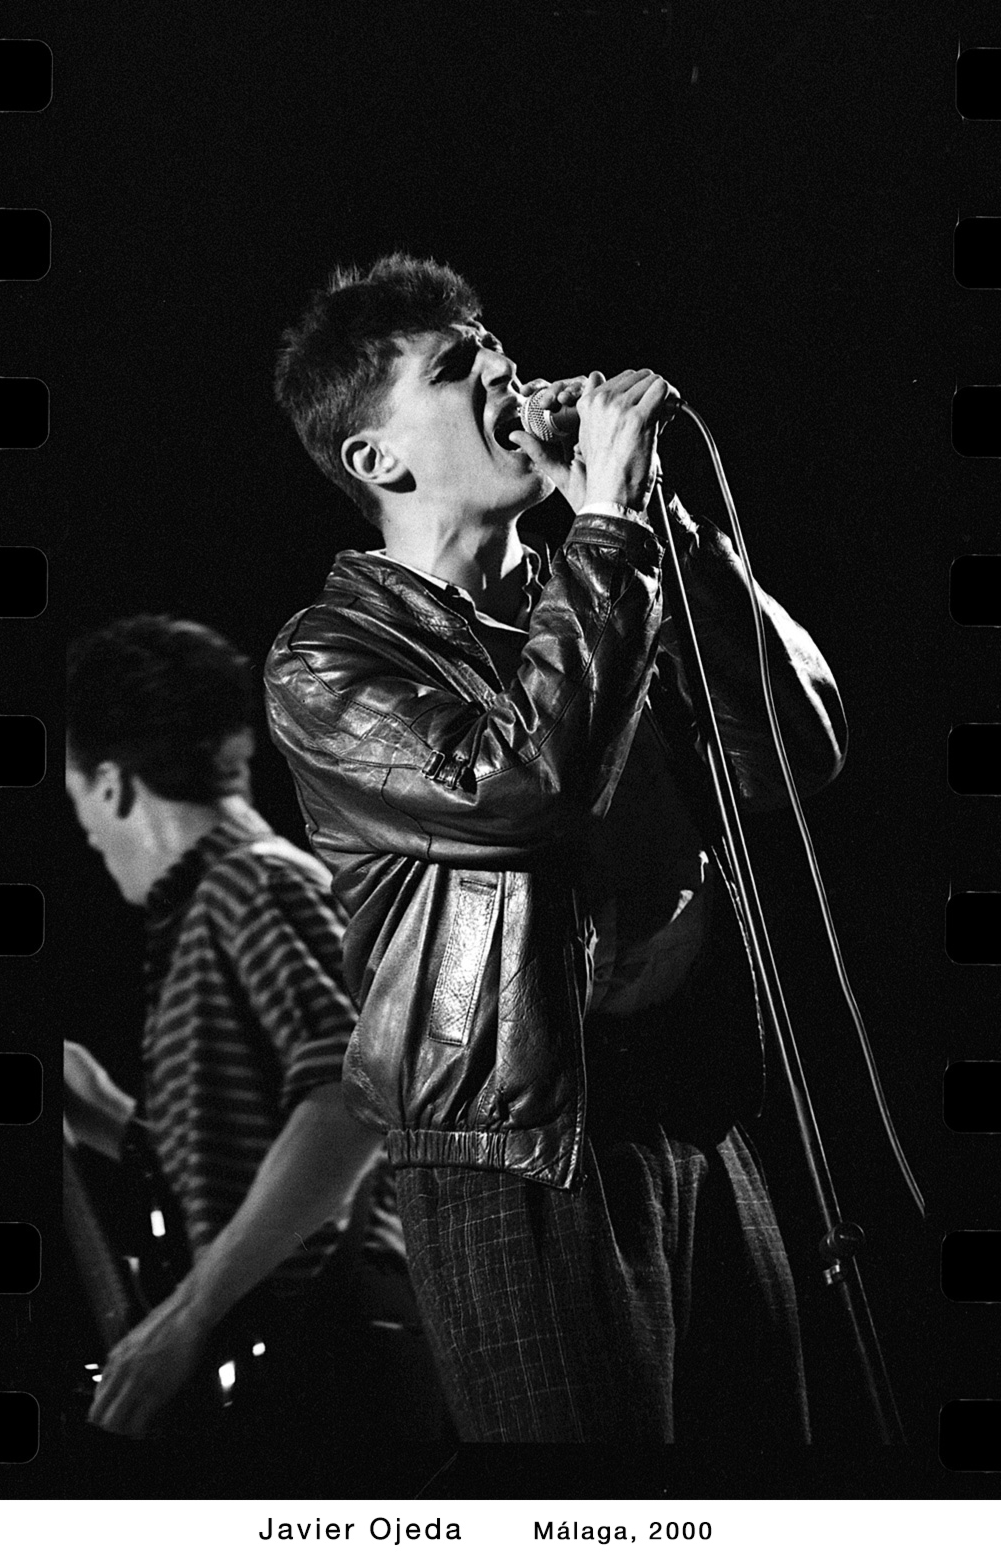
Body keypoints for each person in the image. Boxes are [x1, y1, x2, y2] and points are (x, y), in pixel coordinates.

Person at [264, 253, 848, 1446]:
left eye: (500, 352)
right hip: (519, 1157)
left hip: (692, 1113)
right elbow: (520, 789)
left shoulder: (607, 582)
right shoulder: (326, 661)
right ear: (376, 458)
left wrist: (670, 531)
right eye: (454, 369)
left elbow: (799, 751)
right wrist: (609, 535)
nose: (505, 377)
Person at [64, 614, 445, 1470]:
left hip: (340, 1363)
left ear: (113, 786)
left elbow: (349, 1099)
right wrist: (108, 1116)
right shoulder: (217, 905)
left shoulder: (251, 881)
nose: (87, 834)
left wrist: (186, 1315)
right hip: (313, 1357)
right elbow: (265, 1155)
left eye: (78, 801)